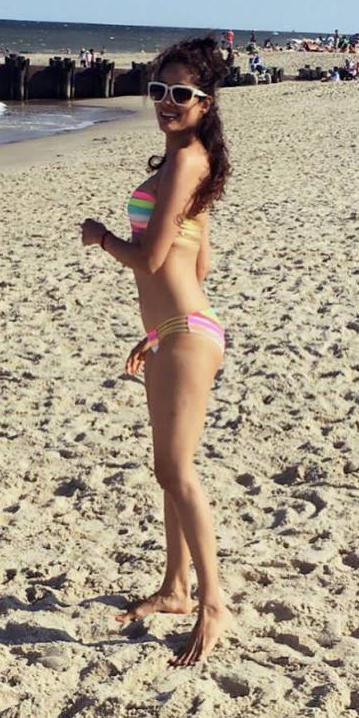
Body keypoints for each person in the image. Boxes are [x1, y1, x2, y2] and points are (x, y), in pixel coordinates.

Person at [80, 36, 232, 666]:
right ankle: (175, 587)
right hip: (177, 332)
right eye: (159, 91)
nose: (167, 102)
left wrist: (102, 237)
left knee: (175, 471)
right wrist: (156, 331)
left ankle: (213, 603)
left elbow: (150, 259)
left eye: (181, 94)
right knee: (168, 467)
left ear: (204, 103)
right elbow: (200, 261)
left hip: (188, 334)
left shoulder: (186, 162)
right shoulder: (187, 163)